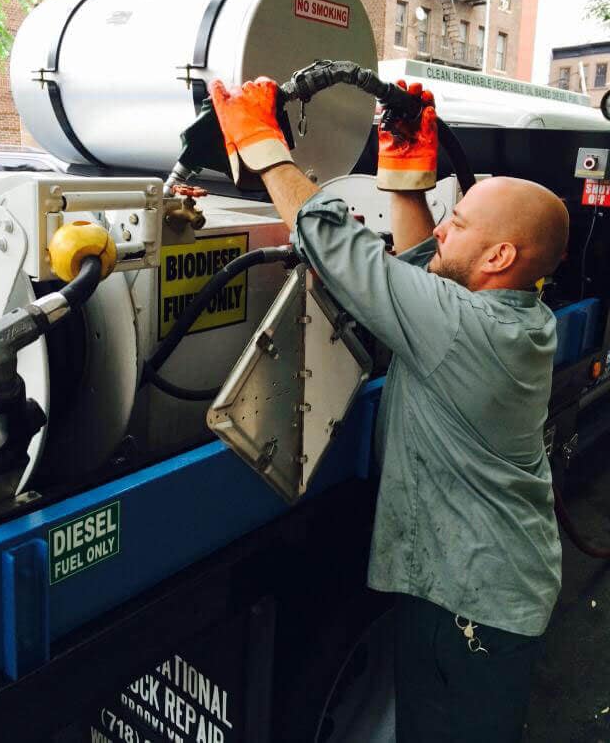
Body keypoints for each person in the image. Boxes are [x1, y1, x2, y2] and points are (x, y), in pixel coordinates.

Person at [209, 76, 569, 743]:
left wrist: (262, 142)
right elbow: (421, 263)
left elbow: (340, 251)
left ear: (498, 256)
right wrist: (404, 173)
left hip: (474, 600)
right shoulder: (514, 315)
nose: (443, 227)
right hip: (478, 578)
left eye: (457, 223)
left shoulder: (466, 327)